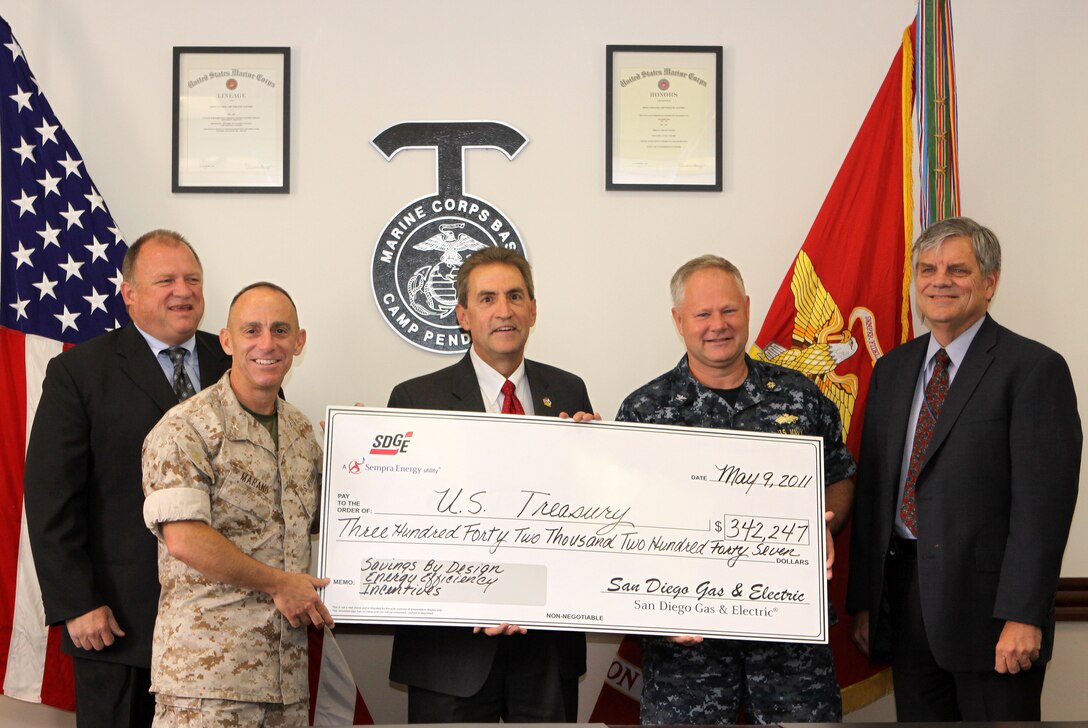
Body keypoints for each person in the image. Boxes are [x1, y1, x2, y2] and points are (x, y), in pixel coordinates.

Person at [846, 217, 1081, 721]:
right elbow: (874, 493)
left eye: (958, 270)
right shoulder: (892, 370)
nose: (940, 281)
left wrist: (1023, 614)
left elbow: (1043, 509)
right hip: (905, 604)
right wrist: (867, 602)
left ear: (989, 282)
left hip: (992, 616)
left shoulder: (1033, 369)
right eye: (927, 270)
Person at [616, 254, 855, 724]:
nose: (718, 325)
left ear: (747, 308)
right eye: (702, 314)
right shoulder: (644, 411)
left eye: (728, 310)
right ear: (679, 321)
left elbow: (839, 476)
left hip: (790, 649)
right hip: (688, 656)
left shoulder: (801, 395)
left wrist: (822, 526)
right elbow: (622, 525)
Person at [23, 230, 230, 728]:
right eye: (166, 280)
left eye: (192, 279)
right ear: (129, 293)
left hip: (225, 625)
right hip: (117, 626)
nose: (183, 291)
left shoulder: (237, 364)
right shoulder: (79, 371)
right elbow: (52, 498)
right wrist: (78, 603)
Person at [386, 247, 594, 722]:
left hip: (546, 646)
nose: (504, 310)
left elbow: (585, 514)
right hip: (450, 652)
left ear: (533, 310)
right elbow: (403, 526)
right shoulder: (415, 399)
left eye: (515, 296)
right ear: (463, 315)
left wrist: (595, 457)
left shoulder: (569, 392)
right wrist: (362, 454)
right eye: (487, 299)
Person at [141, 282, 331, 725]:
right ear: (226, 341)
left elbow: (323, 520)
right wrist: (280, 584)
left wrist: (365, 455)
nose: (267, 343)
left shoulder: (302, 433)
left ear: (299, 341)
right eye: (251, 330)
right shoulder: (186, 428)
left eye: (280, 330)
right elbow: (185, 538)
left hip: (286, 684)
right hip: (207, 686)